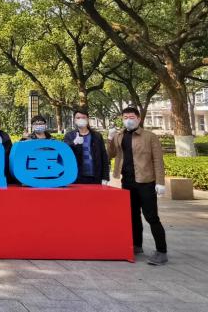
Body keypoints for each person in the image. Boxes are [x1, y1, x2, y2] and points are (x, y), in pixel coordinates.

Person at [108, 107, 168, 266]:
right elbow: (110, 154)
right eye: (125, 117)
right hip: (127, 181)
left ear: (138, 118)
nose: (128, 120)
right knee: (132, 215)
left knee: (151, 217)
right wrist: (110, 139)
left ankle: (161, 251)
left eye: (131, 117)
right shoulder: (120, 136)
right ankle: (137, 245)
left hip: (146, 181)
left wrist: (160, 182)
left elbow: (158, 160)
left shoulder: (149, 137)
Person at [63, 109, 110, 185]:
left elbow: (104, 156)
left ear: (88, 119)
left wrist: (105, 177)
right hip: (76, 177)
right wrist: (74, 143)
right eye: (78, 118)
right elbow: (64, 153)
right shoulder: (69, 136)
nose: (81, 120)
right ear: (74, 120)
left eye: (83, 117)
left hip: (95, 176)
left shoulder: (97, 136)